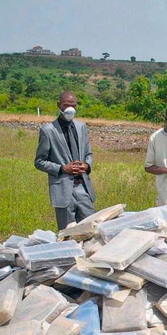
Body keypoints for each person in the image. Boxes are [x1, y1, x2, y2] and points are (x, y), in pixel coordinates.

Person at [35, 91, 96, 230]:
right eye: (66, 105)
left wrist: (87, 165)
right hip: (63, 190)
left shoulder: (81, 127)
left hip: (83, 187)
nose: (70, 109)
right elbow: (39, 161)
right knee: (67, 232)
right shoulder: (48, 130)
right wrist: (62, 169)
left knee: (92, 229)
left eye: (73, 105)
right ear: (59, 105)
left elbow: (89, 154)